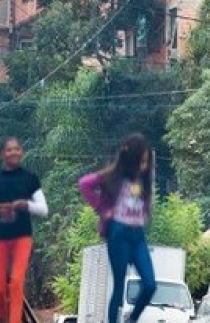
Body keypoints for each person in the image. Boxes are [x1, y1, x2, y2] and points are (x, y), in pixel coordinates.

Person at [78, 134, 157, 323]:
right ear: (131, 159)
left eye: (147, 161)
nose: (145, 165)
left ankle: (132, 319)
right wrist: (102, 209)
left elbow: (145, 202)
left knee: (150, 284)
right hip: (118, 232)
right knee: (119, 286)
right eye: (142, 161)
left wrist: (146, 213)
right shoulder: (114, 176)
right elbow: (84, 184)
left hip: (137, 235)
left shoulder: (144, 179)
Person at [0, 137, 49, 323]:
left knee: (17, 283)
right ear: (3, 154)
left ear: (22, 152)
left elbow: (43, 209)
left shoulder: (30, 179)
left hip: (22, 237)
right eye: (9, 150)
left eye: (17, 149)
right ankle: (3, 317)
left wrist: (25, 204)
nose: (13, 153)